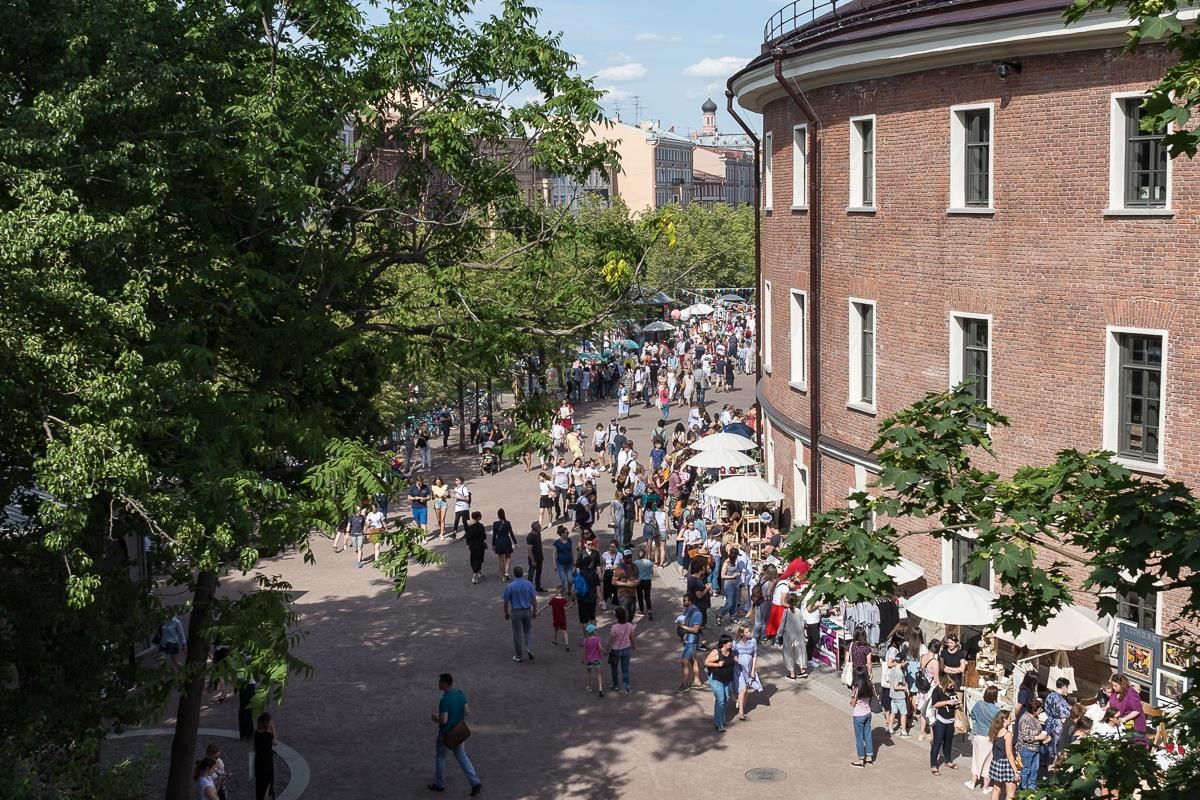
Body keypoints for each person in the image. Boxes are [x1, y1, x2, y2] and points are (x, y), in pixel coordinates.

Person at [429, 673, 482, 796]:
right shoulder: (460, 694)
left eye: (440, 682)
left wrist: (435, 718)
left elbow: (444, 720)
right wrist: (456, 718)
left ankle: (439, 784)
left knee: (441, 757)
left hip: (446, 734)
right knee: (462, 756)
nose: (438, 684)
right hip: (459, 731)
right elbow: (467, 711)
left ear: (445, 683)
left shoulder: (444, 700)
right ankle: (475, 782)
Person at [502, 566, 538, 663]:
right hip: (527, 610)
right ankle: (529, 647)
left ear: (514, 574)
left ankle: (518, 655)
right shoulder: (529, 584)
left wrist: (506, 613)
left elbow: (506, 601)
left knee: (517, 634)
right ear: (522, 573)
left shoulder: (510, 586)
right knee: (528, 630)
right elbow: (534, 600)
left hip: (516, 611)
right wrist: (534, 611)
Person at [969, 685, 1000, 791]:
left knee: (976, 760)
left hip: (978, 735)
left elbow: (972, 715)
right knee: (988, 763)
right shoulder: (997, 710)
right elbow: (998, 725)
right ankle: (985, 788)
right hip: (990, 738)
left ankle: (973, 783)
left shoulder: (979, 704)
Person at [1016, 696, 1051, 788]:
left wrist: (1045, 739)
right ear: (1034, 710)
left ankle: (1032, 787)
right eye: (1039, 709)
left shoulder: (1035, 717)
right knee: (1026, 770)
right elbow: (1025, 737)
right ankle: (1023, 789)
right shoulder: (1025, 719)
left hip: (1035, 748)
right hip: (1027, 749)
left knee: (1034, 769)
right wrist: (1039, 737)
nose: (1041, 710)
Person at [929, 674, 961, 774]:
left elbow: (954, 700)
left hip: (950, 720)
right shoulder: (937, 690)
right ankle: (934, 764)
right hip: (940, 720)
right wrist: (947, 702)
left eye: (953, 685)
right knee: (937, 742)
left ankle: (947, 760)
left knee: (948, 742)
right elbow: (934, 704)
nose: (953, 687)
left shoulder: (952, 691)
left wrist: (956, 704)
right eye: (951, 685)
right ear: (946, 683)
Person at [704, 635, 736, 733]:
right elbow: (706, 662)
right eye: (729, 642)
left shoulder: (731, 652)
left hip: (727, 679)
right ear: (724, 644)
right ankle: (718, 724)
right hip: (716, 678)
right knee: (721, 700)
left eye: (731, 642)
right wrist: (717, 664)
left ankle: (722, 719)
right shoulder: (716, 652)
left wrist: (736, 660)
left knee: (726, 698)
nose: (731, 643)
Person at [732, 625, 762, 721]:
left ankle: (742, 704)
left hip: (749, 668)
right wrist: (735, 658)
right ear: (741, 633)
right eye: (747, 632)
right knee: (743, 689)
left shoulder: (753, 641)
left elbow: (755, 655)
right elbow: (732, 653)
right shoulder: (735, 643)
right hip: (739, 668)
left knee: (747, 688)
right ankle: (741, 711)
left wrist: (753, 670)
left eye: (749, 631)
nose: (749, 633)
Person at [677, 594, 705, 693]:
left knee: (684, 661)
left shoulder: (696, 613)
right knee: (693, 659)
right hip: (688, 639)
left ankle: (684, 684)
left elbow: (695, 629)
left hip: (692, 641)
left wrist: (682, 627)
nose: (683, 602)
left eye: (685, 600)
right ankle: (697, 681)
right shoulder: (688, 610)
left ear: (690, 601)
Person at [605, 606, 637, 694]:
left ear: (617, 617)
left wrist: (607, 650)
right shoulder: (629, 625)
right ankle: (626, 687)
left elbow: (611, 641)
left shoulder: (614, 627)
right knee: (625, 669)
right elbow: (632, 637)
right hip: (627, 649)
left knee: (614, 668)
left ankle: (615, 685)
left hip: (615, 650)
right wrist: (633, 645)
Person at [987, 710, 1017, 800]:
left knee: (996, 788)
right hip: (1006, 764)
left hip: (996, 761)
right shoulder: (1007, 734)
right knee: (1011, 793)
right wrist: (1015, 771)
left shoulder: (995, 731)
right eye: (1009, 718)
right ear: (1004, 719)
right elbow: (1009, 754)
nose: (1011, 719)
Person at [1108, 673, 1146, 740]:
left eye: (1116, 686)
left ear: (1122, 685)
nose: (1113, 687)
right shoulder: (1115, 691)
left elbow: (1136, 711)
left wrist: (1123, 719)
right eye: (1112, 685)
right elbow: (1111, 700)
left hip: (1131, 721)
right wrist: (1106, 708)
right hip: (1116, 718)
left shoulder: (1131, 694)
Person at [780, 590, 808, 681]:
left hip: (788, 636)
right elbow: (802, 624)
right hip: (799, 636)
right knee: (800, 653)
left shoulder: (786, 611)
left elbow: (782, 624)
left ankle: (792, 674)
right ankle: (802, 671)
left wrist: (778, 635)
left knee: (789, 654)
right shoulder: (799, 611)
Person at [1043, 676, 1072, 764]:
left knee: (1050, 746)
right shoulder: (1060, 700)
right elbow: (1063, 717)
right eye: (1067, 687)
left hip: (1050, 723)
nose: (1067, 690)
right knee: (1058, 748)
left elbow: (1046, 708)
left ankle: (1049, 763)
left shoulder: (1050, 695)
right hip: (1058, 726)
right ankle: (1056, 764)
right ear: (1063, 687)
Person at [886, 650, 910, 739]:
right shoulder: (899, 672)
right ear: (902, 661)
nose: (906, 663)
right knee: (903, 713)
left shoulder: (893, 669)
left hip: (893, 695)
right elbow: (896, 686)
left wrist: (904, 683)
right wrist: (905, 688)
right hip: (899, 696)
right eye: (906, 661)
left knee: (893, 712)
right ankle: (903, 732)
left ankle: (890, 729)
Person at [253, 713, 276, 800]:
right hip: (267, 762)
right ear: (267, 723)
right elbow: (275, 742)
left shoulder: (256, 733)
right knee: (267, 784)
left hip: (258, 761)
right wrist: (273, 729)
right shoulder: (268, 735)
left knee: (260, 784)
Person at [612, 549, 639, 622]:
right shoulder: (619, 568)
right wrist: (626, 584)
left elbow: (638, 577)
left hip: (632, 594)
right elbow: (613, 581)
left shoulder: (635, 566)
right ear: (623, 558)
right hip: (623, 595)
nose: (629, 558)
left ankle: (628, 626)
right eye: (627, 557)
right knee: (625, 615)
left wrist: (637, 582)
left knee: (632, 614)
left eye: (630, 556)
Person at [463, 510, 488, 584]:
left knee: (474, 558)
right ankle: (474, 576)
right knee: (479, 559)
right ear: (477, 517)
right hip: (479, 545)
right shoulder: (480, 526)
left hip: (472, 545)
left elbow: (467, 537)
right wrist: (484, 543)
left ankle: (479, 572)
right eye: (480, 515)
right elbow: (483, 536)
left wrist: (468, 544)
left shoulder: (469, 526)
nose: (481, 516)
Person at [491, 508, 517, 581]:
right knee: (508, 557)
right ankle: (506, 572)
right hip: (506, 541)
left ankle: (503, 576)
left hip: (499, 541)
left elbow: (494, 535)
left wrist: (493, 544)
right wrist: (515, 542)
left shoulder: (495, 523)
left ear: (498, 515)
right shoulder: (507, 523)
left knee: (500, 559)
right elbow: (511, 533)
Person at [582, 623, 605, 696]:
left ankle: (588, 686)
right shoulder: (597, 639)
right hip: (597, 659)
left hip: (589, 660)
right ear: (593, 631)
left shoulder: (586, 640)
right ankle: (600, 688)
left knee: (589, 673)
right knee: (599, 673)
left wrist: (582, 659)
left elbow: (584, 651)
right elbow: (600, 648)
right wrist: (605, 651)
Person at [552, 526, 575, 595]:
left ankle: (569, 590)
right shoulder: (557, 543)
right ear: (562, 534)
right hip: (560, 564)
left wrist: (574, 560)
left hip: (569, 563)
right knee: (562, 580)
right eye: (566, 533)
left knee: (570, 579)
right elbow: (554, 554)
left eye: (568, 533)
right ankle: (562, 592)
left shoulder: (570, 540)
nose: (568, 534)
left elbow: (571, 551)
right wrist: (554, 565)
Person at [549, 585, 572, 650]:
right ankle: (567, 644)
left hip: (556, 618)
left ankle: (555, 641)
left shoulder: (553, 600)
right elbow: (565, 608)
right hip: (562, 618)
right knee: (564, 631)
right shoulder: (564, 600)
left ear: (556, 592)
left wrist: (539, 611)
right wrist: (570, 606)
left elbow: (546, 605)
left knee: (556, 629)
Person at [633, 547, 654, 620]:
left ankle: (641, 610)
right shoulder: (649, 562)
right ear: (644, 554)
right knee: (647, 596)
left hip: (639, 581)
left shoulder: (636, 562)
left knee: (640, 596)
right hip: (647, 581)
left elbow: (634, 572)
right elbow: (652, 572)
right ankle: (649, 610)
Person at [525, 521, 546, 592]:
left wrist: (542, 556)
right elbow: (529, 550)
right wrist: (533, 560)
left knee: (539, 573)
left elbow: (539, 546)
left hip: (539, 557)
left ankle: (538, 586)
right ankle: (529, 588)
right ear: (535, 528)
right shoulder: (530, 537)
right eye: (539, 527)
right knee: (531, 574)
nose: (540, 527)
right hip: (534, 558)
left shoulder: (538, 534)